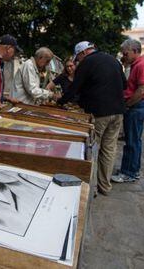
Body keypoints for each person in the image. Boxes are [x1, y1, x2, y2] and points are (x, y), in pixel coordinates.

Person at [57, 41, 126, 196]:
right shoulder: (113, 60)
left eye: (78, 58)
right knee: (109, 149)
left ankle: (93, 188)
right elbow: (125, 84)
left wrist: (60, 101)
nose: (78, 61)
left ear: (83, 53)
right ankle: (105, 186)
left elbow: (75, 88)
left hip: (100, 113)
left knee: (93, 149)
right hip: (118, 112)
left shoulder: (86, 63)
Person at [112, 39, 144, 183]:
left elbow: (142, 90)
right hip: (136, 106)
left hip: (136, 106)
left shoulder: (142, 65)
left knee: (132, 141)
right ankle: (131, 170)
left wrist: (128, 104)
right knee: (133, 140)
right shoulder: (136, 65)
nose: (124, 55)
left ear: (135, 51)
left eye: (126, 53)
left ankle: (129, 172)